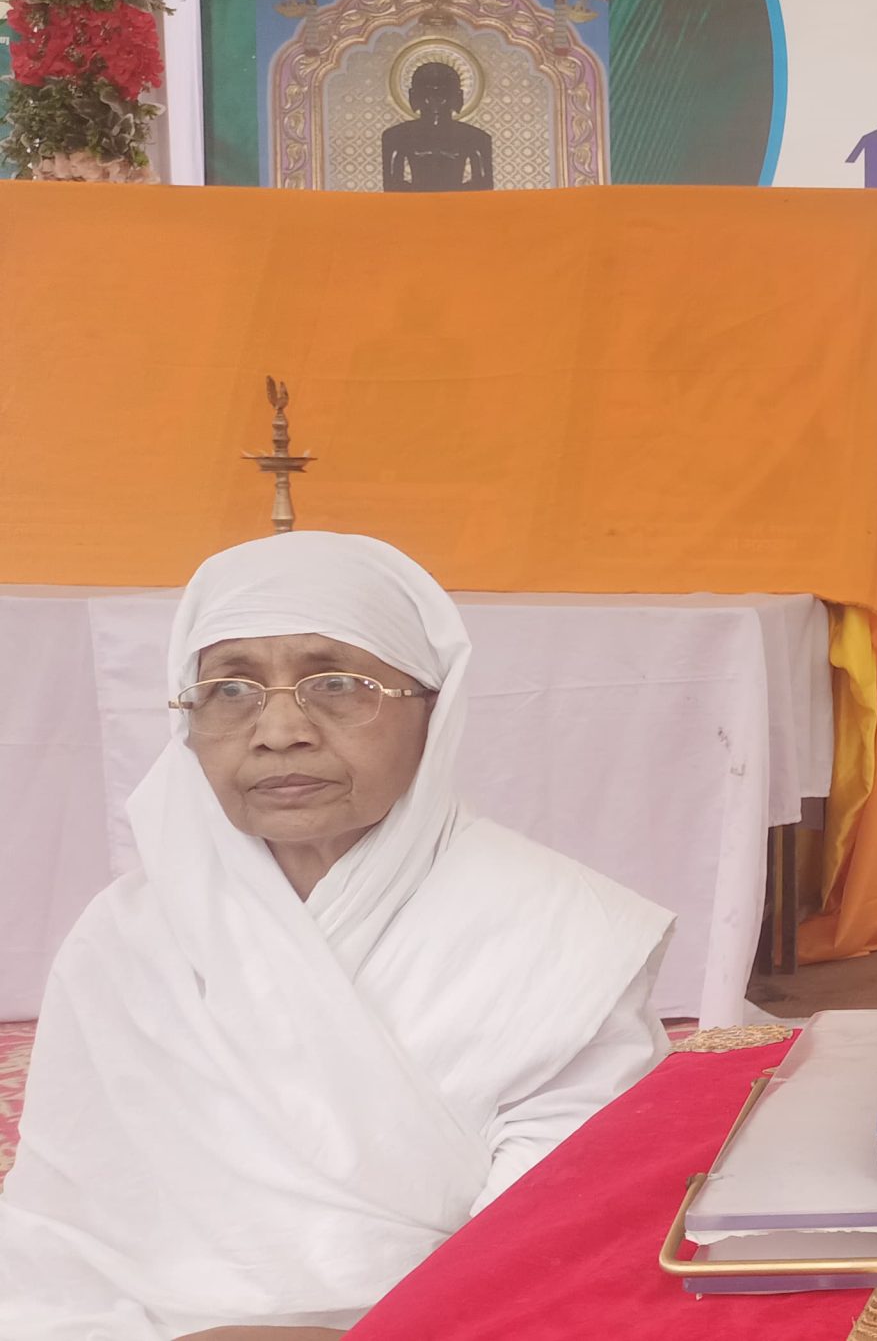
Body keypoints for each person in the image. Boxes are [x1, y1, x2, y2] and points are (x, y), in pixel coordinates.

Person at [0, 533, 673, 1340]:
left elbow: (554, 1251)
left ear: (433, 711)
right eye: (230, 690)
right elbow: (58, 1236)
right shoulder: (127, 935)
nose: (280, 730)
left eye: (337, 684)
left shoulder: (564, 937)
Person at [381, 61, 493, 193]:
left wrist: (452, 198)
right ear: (414, 96)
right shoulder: (396, 137)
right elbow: (392, 187)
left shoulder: (476, 138)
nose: (435, 99)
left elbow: (483, 188)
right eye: (427, 92)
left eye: (443, 93)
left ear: (457, 97)